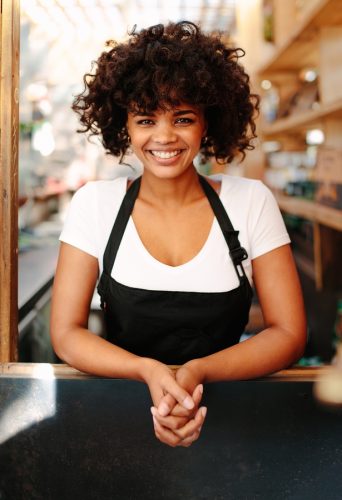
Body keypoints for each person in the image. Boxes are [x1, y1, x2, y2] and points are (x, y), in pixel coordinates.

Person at [50, 21, 307, 448]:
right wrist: (147, 370)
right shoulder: (95, 205)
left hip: (232, 416)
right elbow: (66, 332)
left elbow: (288, 333)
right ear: (124, 126)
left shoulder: (250, 202)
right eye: (146, 119)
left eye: (183, 118)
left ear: (208, 123)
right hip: (119, 416)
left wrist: (198, 371)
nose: (164, 136)